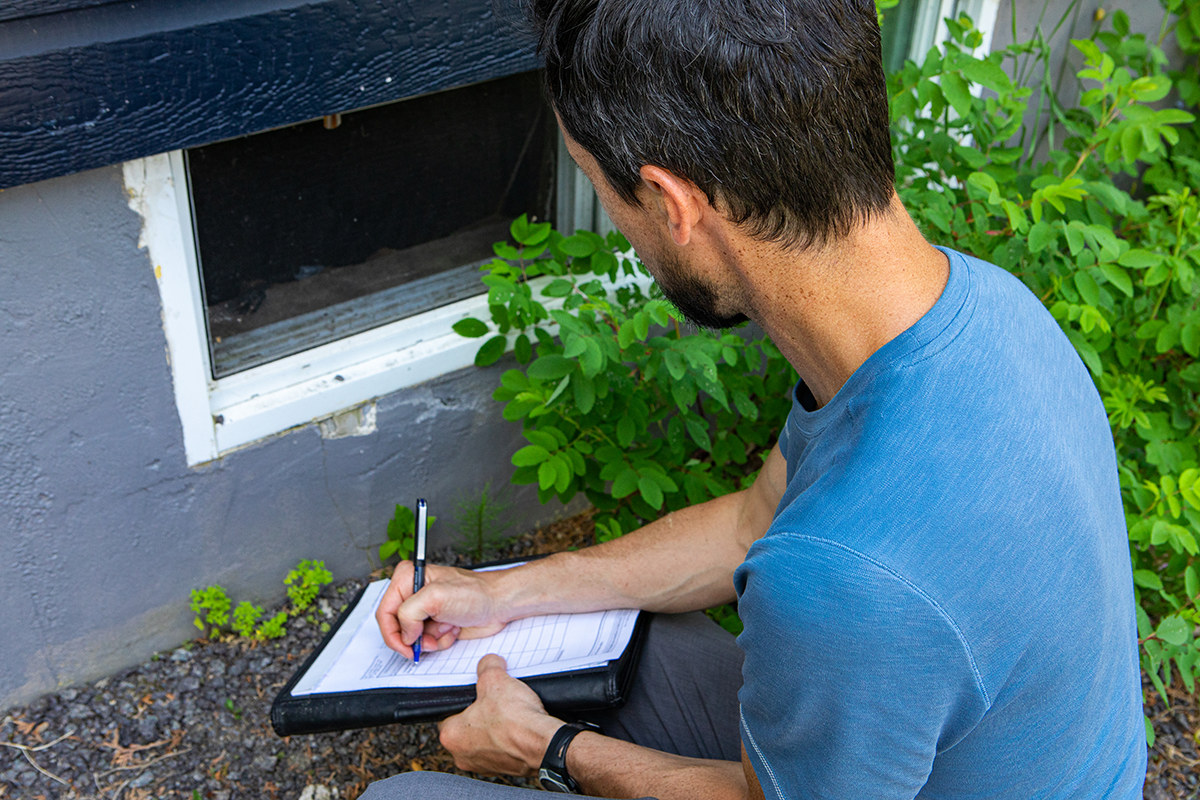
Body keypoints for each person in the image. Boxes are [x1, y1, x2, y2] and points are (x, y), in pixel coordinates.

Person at [361, 0, 1147, 797]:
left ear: (672, 204)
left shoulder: (843, 574)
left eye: (601, 188)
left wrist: (546, 748)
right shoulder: (978, 308)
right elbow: (751, 522)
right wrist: (500, 593)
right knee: (630, 645)